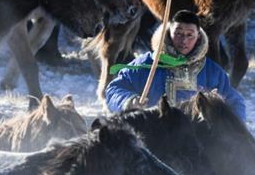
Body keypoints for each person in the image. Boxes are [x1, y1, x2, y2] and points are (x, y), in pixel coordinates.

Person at [105, 10, 246, 121]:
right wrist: (129, 101)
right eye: (178, 34)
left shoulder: (211, 71)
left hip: (197, 143)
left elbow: (235, 101)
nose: (184, 40)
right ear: (168, 33)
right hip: (154, 138)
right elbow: (114, 90)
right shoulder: (145, 65)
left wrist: (232, 127)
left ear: (198, 36)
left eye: (190, 35)